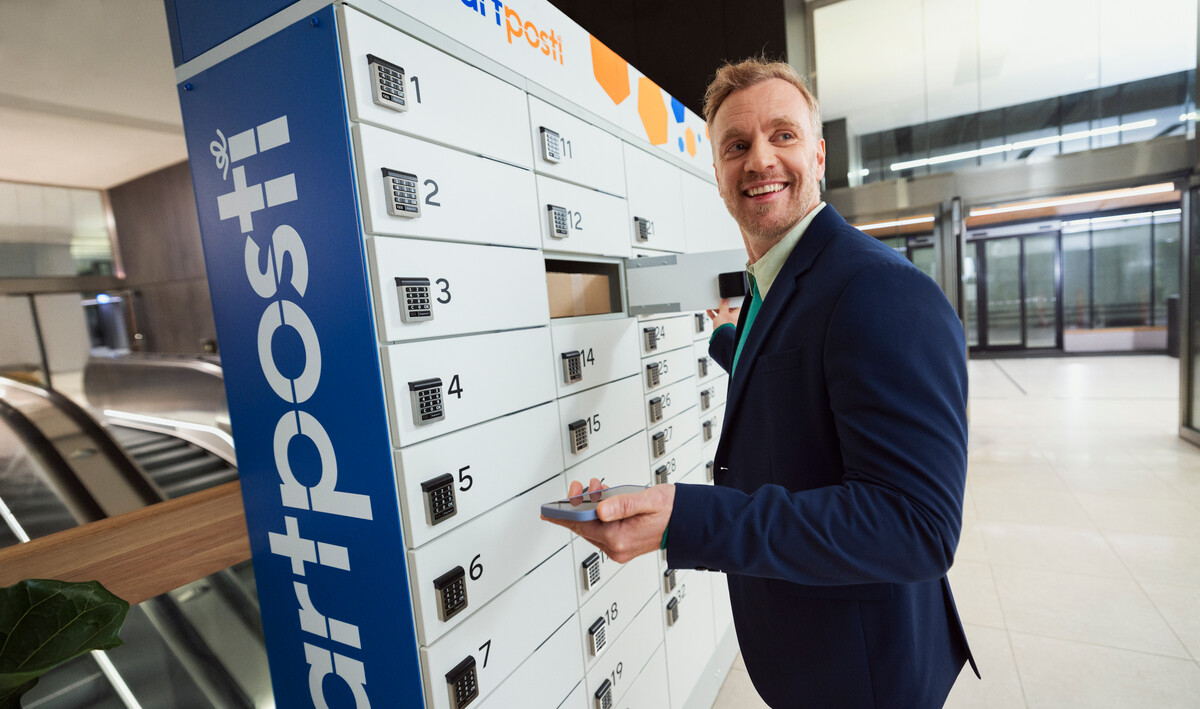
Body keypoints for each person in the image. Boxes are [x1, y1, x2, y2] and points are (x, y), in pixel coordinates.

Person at [542, 57, 976, 708]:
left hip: (866, 677)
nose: (759, 160)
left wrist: (685, 517)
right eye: (736, 146)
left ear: (820, 153)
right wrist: (728, 339)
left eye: (783, 136)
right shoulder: (775, 285)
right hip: (816, 659)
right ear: (716, 171)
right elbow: (800, 374)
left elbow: (915, 524)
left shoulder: (878, 289)